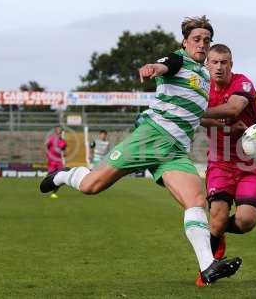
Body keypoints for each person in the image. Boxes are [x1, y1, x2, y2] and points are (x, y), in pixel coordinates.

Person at [39, 16, 241, 285]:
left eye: (206, 39)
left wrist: (219, 120)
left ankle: (207, 266)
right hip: (150, 137)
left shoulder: (204, 76)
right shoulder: (177, 60)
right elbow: (164, 65)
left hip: (176, 150)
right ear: (185, 42)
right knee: (91, 186)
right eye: (196, 39)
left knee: (196, 200)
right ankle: (63, 175)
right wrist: (153, 68)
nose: (202, 43)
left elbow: (193, 113)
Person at [198, 44, 256, 286]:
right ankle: (205, 274)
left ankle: (215, 230)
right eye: (214, 62)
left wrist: (200, 111)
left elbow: (234, 107)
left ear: (231, 64)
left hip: (249, 163)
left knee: (246, 221)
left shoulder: (242, 83)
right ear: (207, 64)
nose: (219, 67)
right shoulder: (203, 89)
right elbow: (199, 120)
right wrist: (223, 126)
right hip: (219, 161)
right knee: (217, 215)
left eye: (223, 62)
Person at [45, 126, 67, 199]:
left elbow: (64, 152)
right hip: (51, 161)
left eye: (60, 131)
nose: (60, 132)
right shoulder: (51, 139)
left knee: (60, 177)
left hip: (59, 162)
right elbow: (46, 147)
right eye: (58, 131)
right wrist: (47, 155)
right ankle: (46, 186)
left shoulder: (63, 142)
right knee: (49, 176)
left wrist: (64, 154)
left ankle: (54, 193)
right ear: (55, 132)